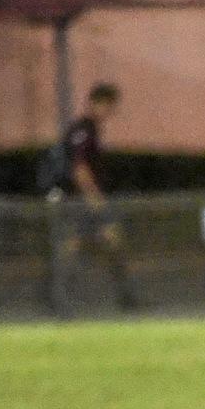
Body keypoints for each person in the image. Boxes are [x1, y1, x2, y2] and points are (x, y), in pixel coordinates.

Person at [50, 82, 139, 311]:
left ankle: (125, 297)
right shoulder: (84, 129)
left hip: (85, 200)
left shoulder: (90, 129)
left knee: (108, 242)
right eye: (108, 106)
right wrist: (95, 199)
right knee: (75, 246)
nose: (110, 112)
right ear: (96, 103)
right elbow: (79, 168)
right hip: (82, 201)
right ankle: (61, 299)